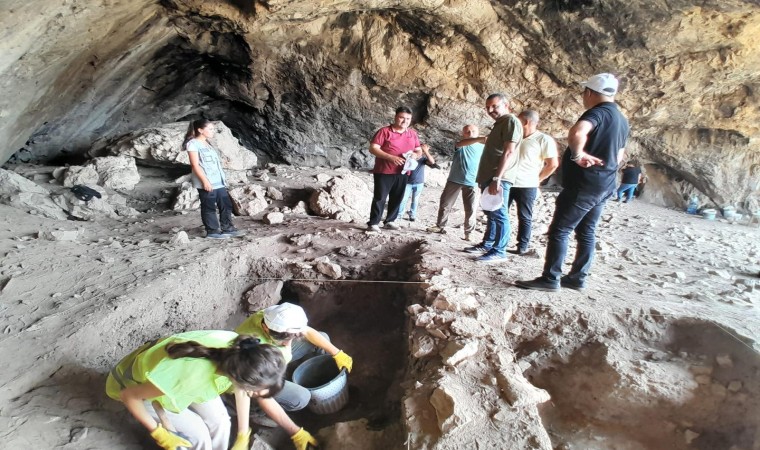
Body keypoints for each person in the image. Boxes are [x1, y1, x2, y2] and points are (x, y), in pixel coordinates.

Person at [105, 330, 318, 450]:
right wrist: (159, 432)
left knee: (222, 422)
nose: (255, 395)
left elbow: (243, 391)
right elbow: (129, 396)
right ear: (239, 379)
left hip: (190, 378)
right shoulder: (187, 377)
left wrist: (243, 435)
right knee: (199, 438)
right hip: (138, 385)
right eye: (256, 392)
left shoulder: (244, 353)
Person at [516, 73, 630, 292]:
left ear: (589, 92)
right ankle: (577, 278)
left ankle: (550, 279)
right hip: (605, 183)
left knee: (560, 230)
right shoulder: (622, 120)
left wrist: (578, 156)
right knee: (587, 231)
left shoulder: (598, 112)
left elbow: (578, 131)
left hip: (584, 184)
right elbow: (619, 156)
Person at [235, 303, 353, 413]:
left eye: (292, 339)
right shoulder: (251, 344)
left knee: (322, 338)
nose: (288, 344)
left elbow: (307, 331)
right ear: (266, 329)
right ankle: (258, 411)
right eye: (284, 341)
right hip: (253, 373)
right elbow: (252, 384)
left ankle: (312, 374)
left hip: (272, 354)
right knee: (301, 397)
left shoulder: (275, 317)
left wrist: (337, 353)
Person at [461, 93, 523, 263]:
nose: (490, 110)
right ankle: (488, 244)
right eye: (488, 107)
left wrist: (497, 178)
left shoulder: (511, 121)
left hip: (499, 176)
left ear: (506, 105)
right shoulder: (500, 124)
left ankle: (499, 250)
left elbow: (509, 151)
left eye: (495, 106)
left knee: (499, 213)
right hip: (491, 176)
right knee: (491, 211)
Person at [506, 110, 559, 255]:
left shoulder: (543, 139)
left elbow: (552, 164)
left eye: (518, 121)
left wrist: (538, 180)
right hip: (508, 181)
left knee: (524, 216)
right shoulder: (515, 137)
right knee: (501, 213)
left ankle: (522, 246)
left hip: (527, 185)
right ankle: (499, 242)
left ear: (526, 122)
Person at [184, 119, 244, 239]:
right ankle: (213, 231)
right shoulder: (193, 144)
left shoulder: (207, 144)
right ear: (200, 130)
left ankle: (227, 228)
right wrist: (205, 181)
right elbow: (195, 165)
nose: (213, 131)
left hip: (218, 181)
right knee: (209, 206)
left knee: (226, 205)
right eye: (210, 129)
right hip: (206, 182)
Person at [367, 106, 423, 231]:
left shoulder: (412, 134)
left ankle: (390, 221)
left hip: (403, 171)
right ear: (395, 117)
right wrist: (390, 157)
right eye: (402, 118)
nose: (405, 121)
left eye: (408, 119)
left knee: (398, 196)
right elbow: (373, 148)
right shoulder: (384, 131)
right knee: (380, 197)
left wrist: (415, 155)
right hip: (384, 170)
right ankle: (373, 223)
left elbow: (419, 150)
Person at [427, 125, 484, 240]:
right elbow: (460, 144)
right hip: (454, 179)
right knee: (445, 204)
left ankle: (469, 233)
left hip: (472, 181)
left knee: (471, 208)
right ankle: (440, 226)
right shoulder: (461, 144)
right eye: (467, 132)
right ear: (463, 134)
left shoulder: (483, 148)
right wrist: (481, 138)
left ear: (478, 132)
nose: (470, 133)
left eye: (473, 131)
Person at [398, 144, 437, 222]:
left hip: (419, 182)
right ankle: (399, 215)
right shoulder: (409, 156)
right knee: (403, 199)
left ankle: (412, 215)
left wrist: (426, 151)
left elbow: (432, 162)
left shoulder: (423, 159)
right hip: (407, 182)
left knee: (415, 200)